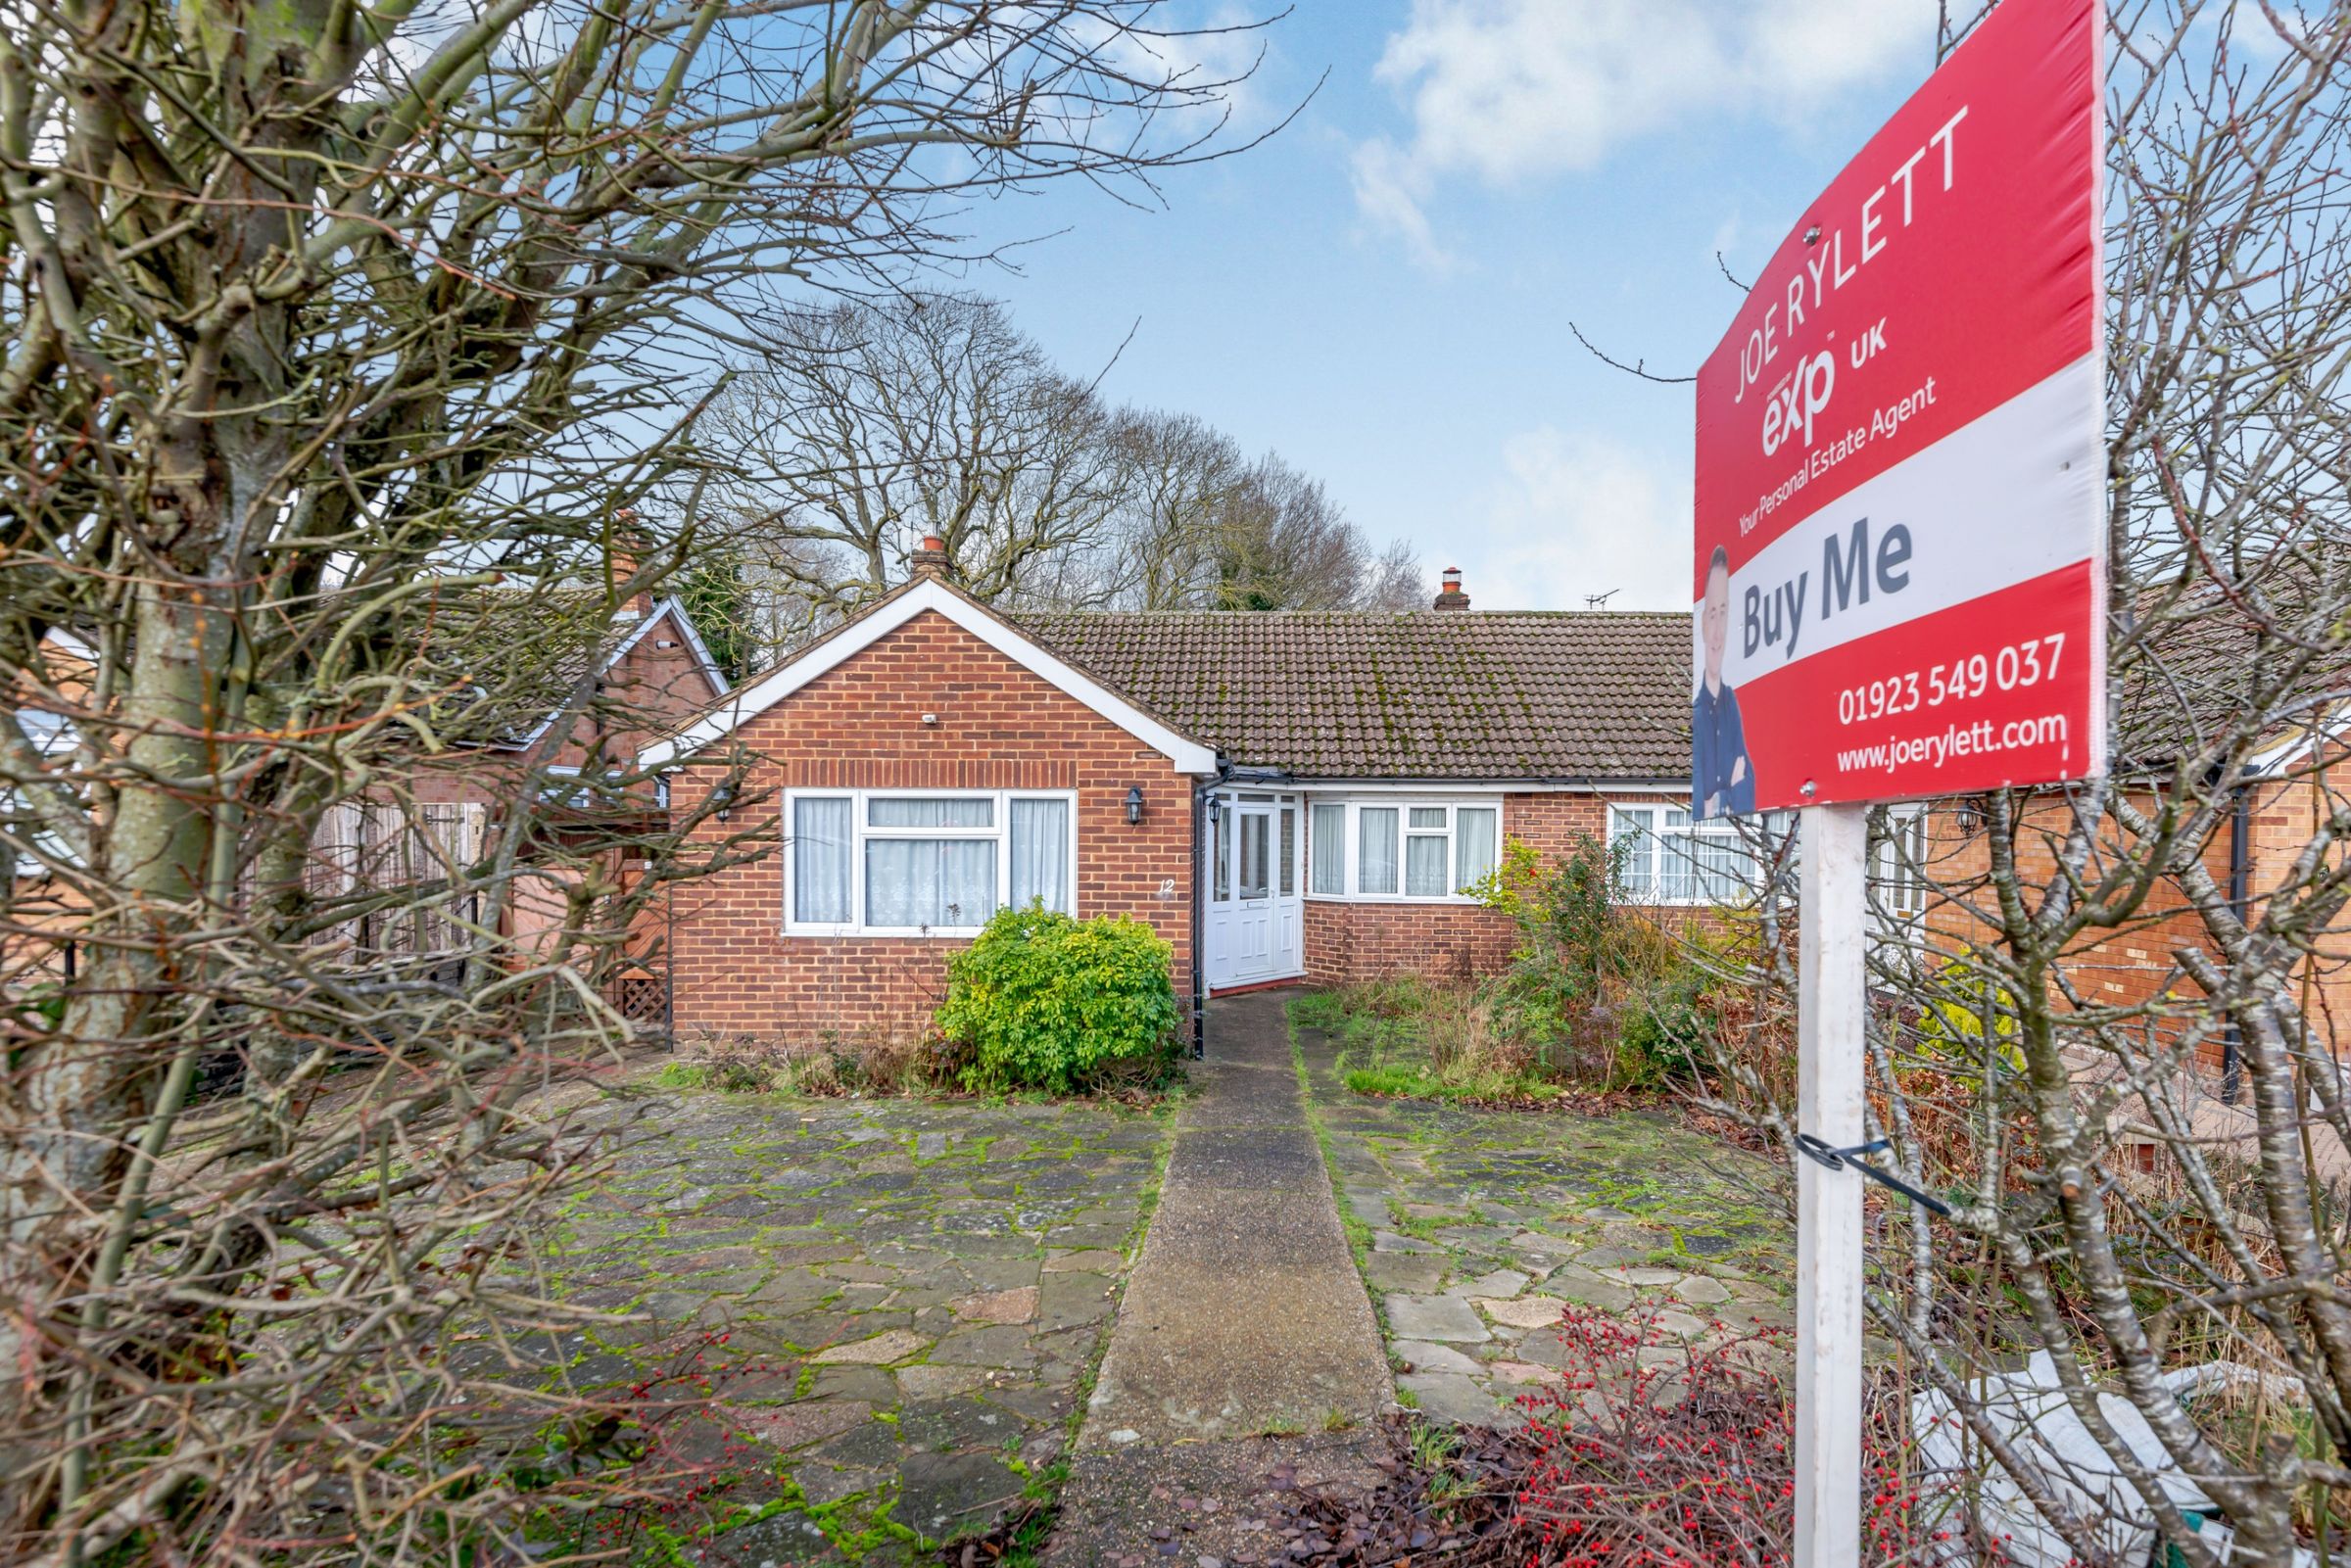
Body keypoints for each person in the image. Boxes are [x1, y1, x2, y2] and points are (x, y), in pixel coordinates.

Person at [1694, 545, 1754, 818]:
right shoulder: (1697, 715)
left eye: (1724, 613)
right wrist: (1726, 796)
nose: (1718, 632)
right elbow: (1700, 803)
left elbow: (1749, 787)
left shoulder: (1732, 704)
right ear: (1703, 624)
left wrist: (1715, 799)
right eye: (1712, 615)